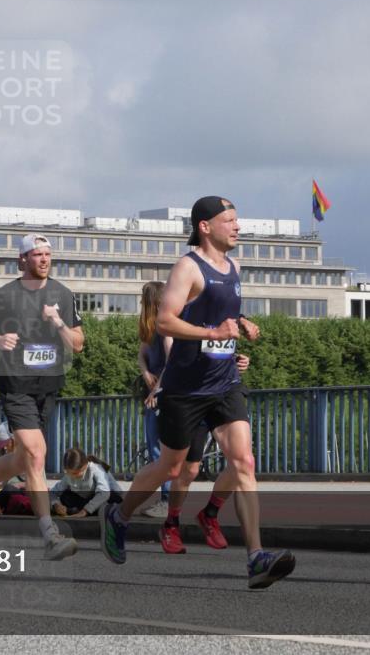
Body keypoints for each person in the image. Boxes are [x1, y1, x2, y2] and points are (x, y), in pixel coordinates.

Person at [100, 196, 295, 589]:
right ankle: (118, 516)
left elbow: (217, 313)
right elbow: (167, 321)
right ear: (205, 226)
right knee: (171, 469)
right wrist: (213, 333)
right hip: (185, 389)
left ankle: (256, 556)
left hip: (224, 383)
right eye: (230, 220)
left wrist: (241, 324)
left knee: (244, 462)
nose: (238, 227)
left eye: (238, 219)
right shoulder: (187, 267)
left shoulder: (235, 266)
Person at [0, 233, 85, 560]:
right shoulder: (4, 295)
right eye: (36, 254)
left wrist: (58, 320)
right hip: (15, 384)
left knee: (23, 458)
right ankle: (50, 535)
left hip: (47, 387)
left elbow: (77, 343)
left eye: (47, 254)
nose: (44, 259)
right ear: (22, 260)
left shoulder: (64, 294)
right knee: (35, 453)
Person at [140, 280, 243, 553]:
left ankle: (209, 513)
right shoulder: (174, 322)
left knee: (242, 461)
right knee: (187, 469)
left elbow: (219, 351)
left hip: (218, 394)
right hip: (190, 398)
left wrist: (239, 359)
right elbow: (171, 357)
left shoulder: (215, 314)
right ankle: (171, 521)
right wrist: (152, 379)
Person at [137, 281, 172, 518]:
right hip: (157, 391)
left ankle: (167, 502)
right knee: (155, 449)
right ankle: (165, 500)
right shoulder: (150, 327)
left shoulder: (165, 327)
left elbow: (173, 361)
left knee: (160, 451)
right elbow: (141, 355)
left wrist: (155, 389)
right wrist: (146, 372)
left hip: (164, 395)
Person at [50, 447, 123, 518]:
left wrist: (85, 510)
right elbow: (53, 492)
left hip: (108, 497)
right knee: (65, 496)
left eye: (76, 473)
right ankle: (78, 510)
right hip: (86, 499)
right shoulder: (68, 475)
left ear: (85, 466)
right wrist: (56, 504)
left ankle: (87, 510)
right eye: (69, 473)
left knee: (110, 499)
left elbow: (104, 493)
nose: (73, 477)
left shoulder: (95, 469)